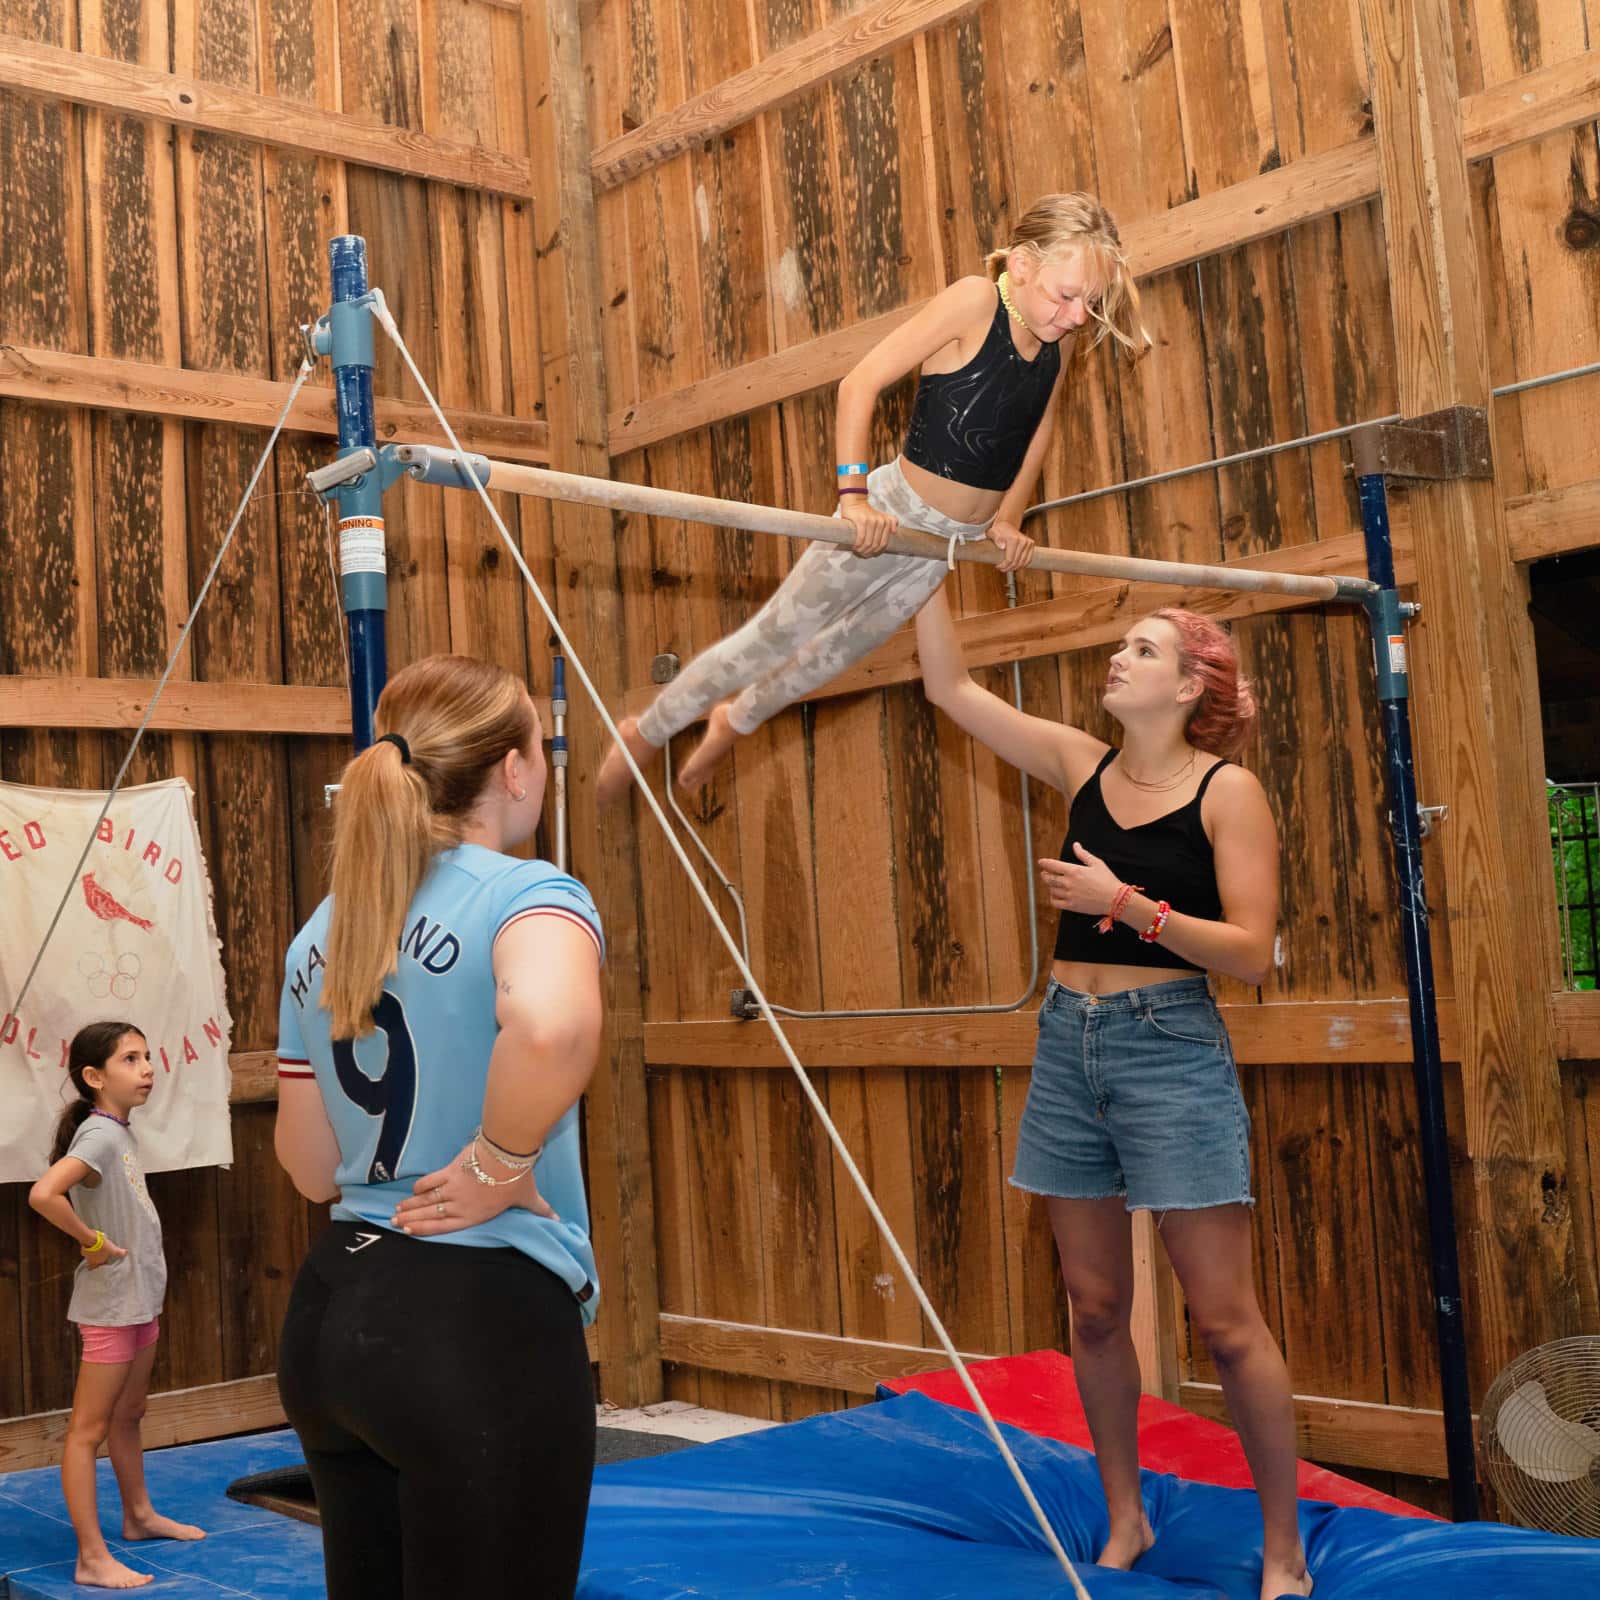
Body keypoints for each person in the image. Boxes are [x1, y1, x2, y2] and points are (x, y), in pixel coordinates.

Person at [915, 594, 1313, 1600]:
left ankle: (1282, 1549)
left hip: (1168, 1044)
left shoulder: (1228, 792)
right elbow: (947, 686)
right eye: (1119, 642)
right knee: (1094, 1308)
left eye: (1142, 648)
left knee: (1224, 1319)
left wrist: (1123, 906)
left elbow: (1254, 954)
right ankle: (1124, 1513)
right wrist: (924, 559)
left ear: (1187, 686)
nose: (1116, 656)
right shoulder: (1078, 762)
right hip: (1066, 1042)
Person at [596, 191, 1150, 805]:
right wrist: (854, 497)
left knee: (830, 659)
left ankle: (736, 720)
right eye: (1067, 296)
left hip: (946, 546)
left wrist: (1009, 516)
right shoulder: (973, 302)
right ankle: (646, 729)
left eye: (1091, 304)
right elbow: (857, 384)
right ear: (1020, 265)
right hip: (894, 516)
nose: (1077, 316)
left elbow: (1039, 426)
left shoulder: (1058, 340)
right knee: (771, 641)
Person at [273, 654, 604, 1600]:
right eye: (542, 748)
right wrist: (500, 1163)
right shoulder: (526, 892)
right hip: (469, 1321)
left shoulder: (321, 931)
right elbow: (552, 1025)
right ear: (514, 767)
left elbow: (308, 1165)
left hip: (331, 1314)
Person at [28, 1021, 205, 1589]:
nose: (148, 1067)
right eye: (131, 1059)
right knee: (88, 1431)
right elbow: (43, 1194)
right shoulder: (101, 1136)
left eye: (147, 1056)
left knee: (129, 1416)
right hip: (111, 1308)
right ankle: (90, 1557)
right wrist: (92, 1240)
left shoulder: (118, 1131)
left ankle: (138, 1516)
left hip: (139, 1302)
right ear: (94, 1077)